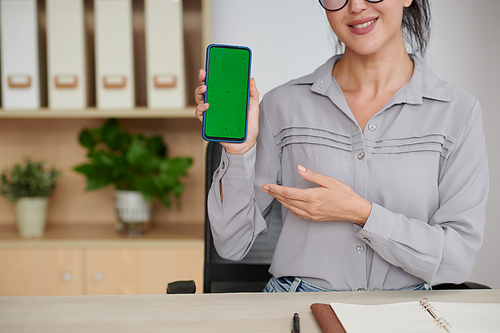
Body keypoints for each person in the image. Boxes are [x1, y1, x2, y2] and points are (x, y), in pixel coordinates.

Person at [194, 0, 489, 292]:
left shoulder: (457, 112)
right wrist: (238, 153)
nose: (357, 6)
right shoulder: (282, 105)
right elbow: (232, 244)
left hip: (407, 312)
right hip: (297, 307)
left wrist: (363, 213)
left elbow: (456, 260)